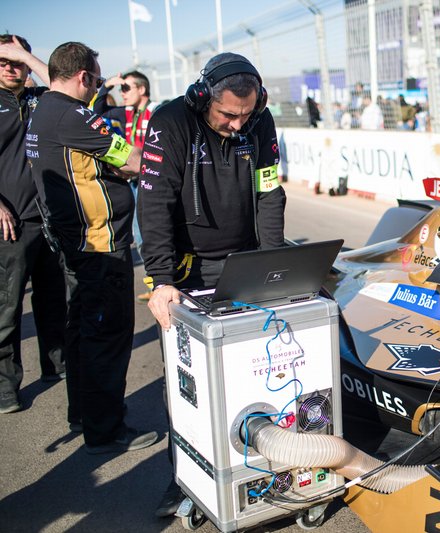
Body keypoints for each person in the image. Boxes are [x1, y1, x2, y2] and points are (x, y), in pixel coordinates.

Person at [136, 52, 286, 518]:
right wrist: (161, 278)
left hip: (241, 261)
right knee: (190, 384)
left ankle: (266, 466)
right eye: (228, 115)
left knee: (255, 366)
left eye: (246, 114)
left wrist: (274, 263)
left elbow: (269, 192)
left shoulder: (259, 122)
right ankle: (184, 476)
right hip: (185, 269)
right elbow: (154, 203)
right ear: (202, 98)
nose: (238, 125)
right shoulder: (170, 122)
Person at [25, 42, 155, 453]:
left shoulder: (42, 111)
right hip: (99, 244)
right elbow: (133, 160)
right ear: (83, 76)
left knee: (82, 330)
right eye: (96, 81)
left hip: (71, 242)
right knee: (107, 336)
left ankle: (83, 414)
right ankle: (106, 430)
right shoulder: (73, 115)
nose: (96, 88)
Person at [0, 34, 67, 414]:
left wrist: (24, 55)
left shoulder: (38, 98)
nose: (12, 68)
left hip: (48, 219)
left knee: (54, 300)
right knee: (7, 308)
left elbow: (65, 89)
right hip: (9, 224)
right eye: (4, 61)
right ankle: (6, 386)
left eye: (18, 62)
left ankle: (55, 364)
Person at [91, 70, 158, 301]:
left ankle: (160, 282)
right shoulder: (126, 112)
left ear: (142, 89)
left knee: (152, 232)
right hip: (132, 180)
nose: (123, 93)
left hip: (152, 180)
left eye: (126, 88)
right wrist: (107, 86)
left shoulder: (157, 110)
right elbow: (97, 111)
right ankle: (154, 284)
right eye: (120, 89)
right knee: (139, 235)